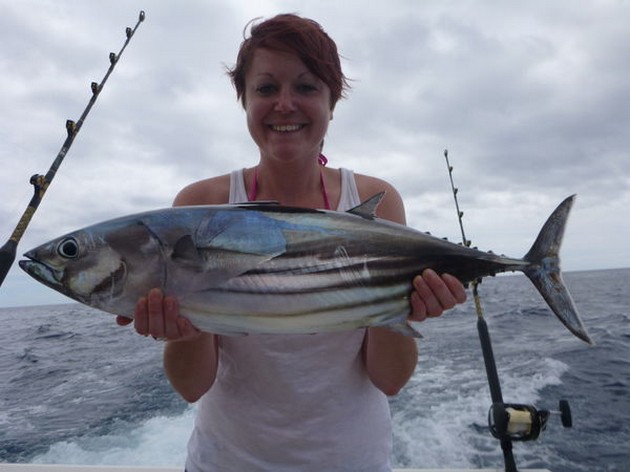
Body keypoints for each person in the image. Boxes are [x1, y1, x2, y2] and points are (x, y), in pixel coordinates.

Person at [117, 13, 466, 472]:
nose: (285, 104)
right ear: (243, 100)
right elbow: (190, 388)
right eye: (266, 88)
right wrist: (186, 327)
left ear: (331, 102)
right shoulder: (200, 206)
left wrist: (401, 304)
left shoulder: (374, 202)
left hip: (352, 460)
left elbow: (390, 379)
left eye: (306, 87)